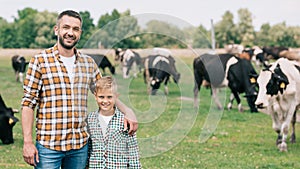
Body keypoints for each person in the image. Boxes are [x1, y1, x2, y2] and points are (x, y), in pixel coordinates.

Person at [21, 10, 138, 169]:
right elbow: (28, 103)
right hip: (48, 147)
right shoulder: (40, 61)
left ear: (80, 33)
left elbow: (105, 92)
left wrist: (127, 111)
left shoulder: (88, 63)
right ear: (57, 29)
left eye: (75, 29)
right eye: (66, 27)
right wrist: (27, 142)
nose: (70, 33)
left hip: (79, 146)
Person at [86, 76, 141, 168]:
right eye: (101, 97)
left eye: (109, 97)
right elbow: (89, 147)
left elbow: (132, 149)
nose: (105, 101)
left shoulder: (124, 120)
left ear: (116, 97)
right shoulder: (90, 119)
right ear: (95, 96)